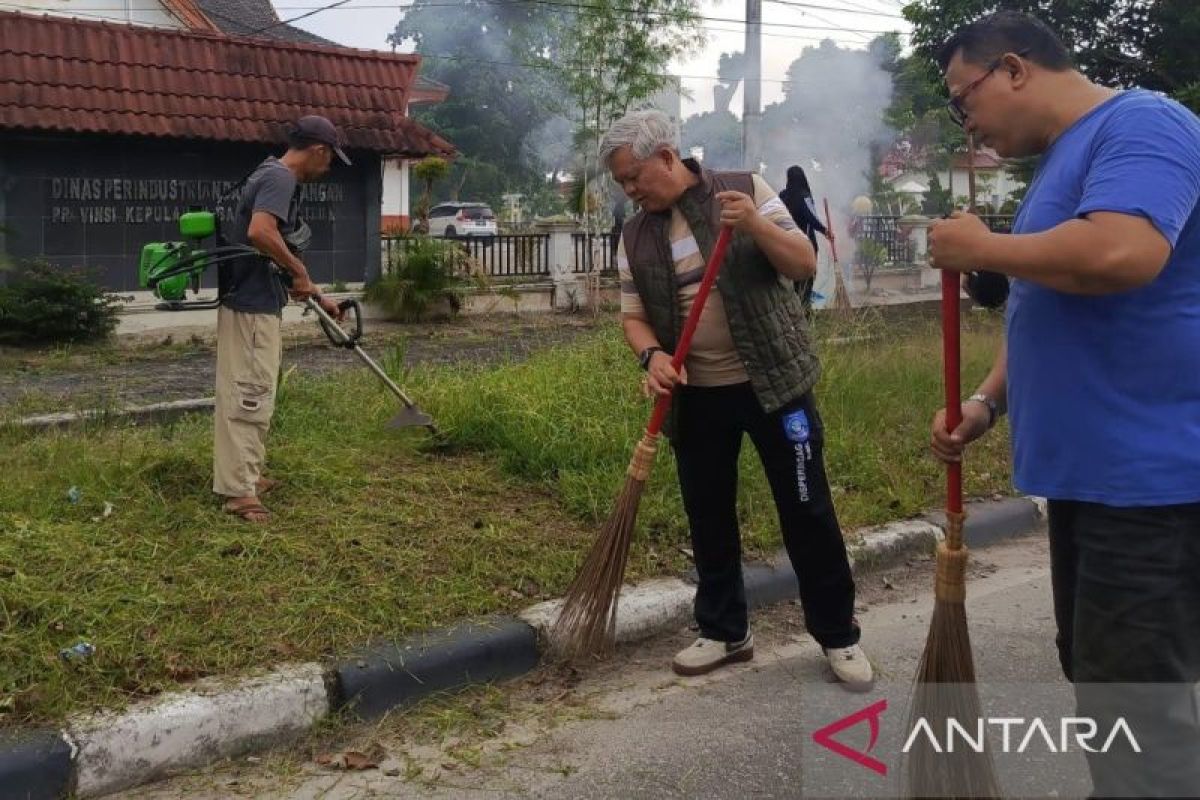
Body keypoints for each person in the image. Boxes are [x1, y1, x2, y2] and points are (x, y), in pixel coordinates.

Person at [926, 12, 1200, 796]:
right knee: (1103, 686)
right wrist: (986, 401)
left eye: (962, 98)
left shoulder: (1146, 124)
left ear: (1013, 69)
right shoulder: (1062, 163)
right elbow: (1050, 296)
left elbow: (1122, 252)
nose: (966, 121)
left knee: (1136, 709)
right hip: (1091, 480)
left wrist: (982, 248)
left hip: (1151, 484)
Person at [602, 109, 872, 690]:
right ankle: (725, 630)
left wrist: (754, 224)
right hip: (697, 396)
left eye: (633, 177)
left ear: (667, 158)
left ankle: (838, 635)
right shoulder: (635, 234)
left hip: (775, 384)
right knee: (708, 514)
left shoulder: (744, 190)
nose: (628, 190)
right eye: (620, 183)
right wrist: (652, 357)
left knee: (807, 510)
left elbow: (803, 263)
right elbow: (634, 317)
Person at [214, 115, 348, 523]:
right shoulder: (281, 179)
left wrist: (318, 294)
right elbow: (260, 232)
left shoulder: (266, 171)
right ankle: (240, 493)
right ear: (319, 150)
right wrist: (299, 272)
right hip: (252, 307)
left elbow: (279, 244)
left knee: (241, 391)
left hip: (249, 300)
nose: (326, 171)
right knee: (251, 394)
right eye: (328, 162)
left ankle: (244, 476)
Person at [778, 164, 830, 310]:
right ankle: (804, 312)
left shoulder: (782, 196)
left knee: (791, 281)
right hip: (805, 245)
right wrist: (825, 231)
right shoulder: (804, 195)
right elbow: (811, 217)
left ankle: (792, 312)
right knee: (807, 280)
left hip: (787, 243)